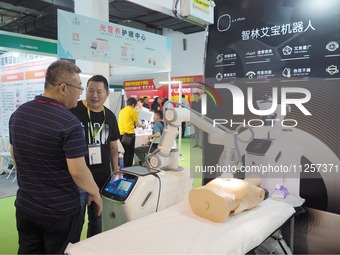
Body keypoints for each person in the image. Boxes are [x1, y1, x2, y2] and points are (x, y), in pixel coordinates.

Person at [8, 60, 103, 254]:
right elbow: (78, 171)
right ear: (62, 88)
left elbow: (13, 152)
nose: (80, 93)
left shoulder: (19, 114)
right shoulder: (69, 122)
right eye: (78, 88)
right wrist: (95, 192)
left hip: (26, 205)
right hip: (59, 212)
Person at [70, 74, 120, 238]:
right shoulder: (73, 111)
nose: (94, 96)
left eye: (99, 91)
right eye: (90, 91)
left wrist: (116, 170)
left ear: (107, 93)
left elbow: (113, 147)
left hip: (102, 180)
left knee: (97, 225)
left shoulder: (110, 116)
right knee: (74, 225)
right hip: (77, 180)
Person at [118, 97, 145, 167]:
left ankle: (124, 168)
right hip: (129, 135)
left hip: (121, 134)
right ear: (133, 104)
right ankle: (128, 169)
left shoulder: (121, 111)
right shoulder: (133, 111)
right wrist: (143, 126)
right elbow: (137, 124)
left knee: (124, 152)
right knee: (130, 153)